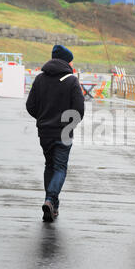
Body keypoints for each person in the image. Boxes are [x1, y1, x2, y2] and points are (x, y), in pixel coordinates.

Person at [26, 45, 84, 222]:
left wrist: (43, 118)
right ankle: (50, 199)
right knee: (60, 167)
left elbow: (30, 106)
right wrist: (69, 124)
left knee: (49, 166)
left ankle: (52, 205)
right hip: (63, 132)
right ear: (66, 61)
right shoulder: (71, 80)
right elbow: (79, 110)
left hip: (44, 131)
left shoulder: (40, 79)